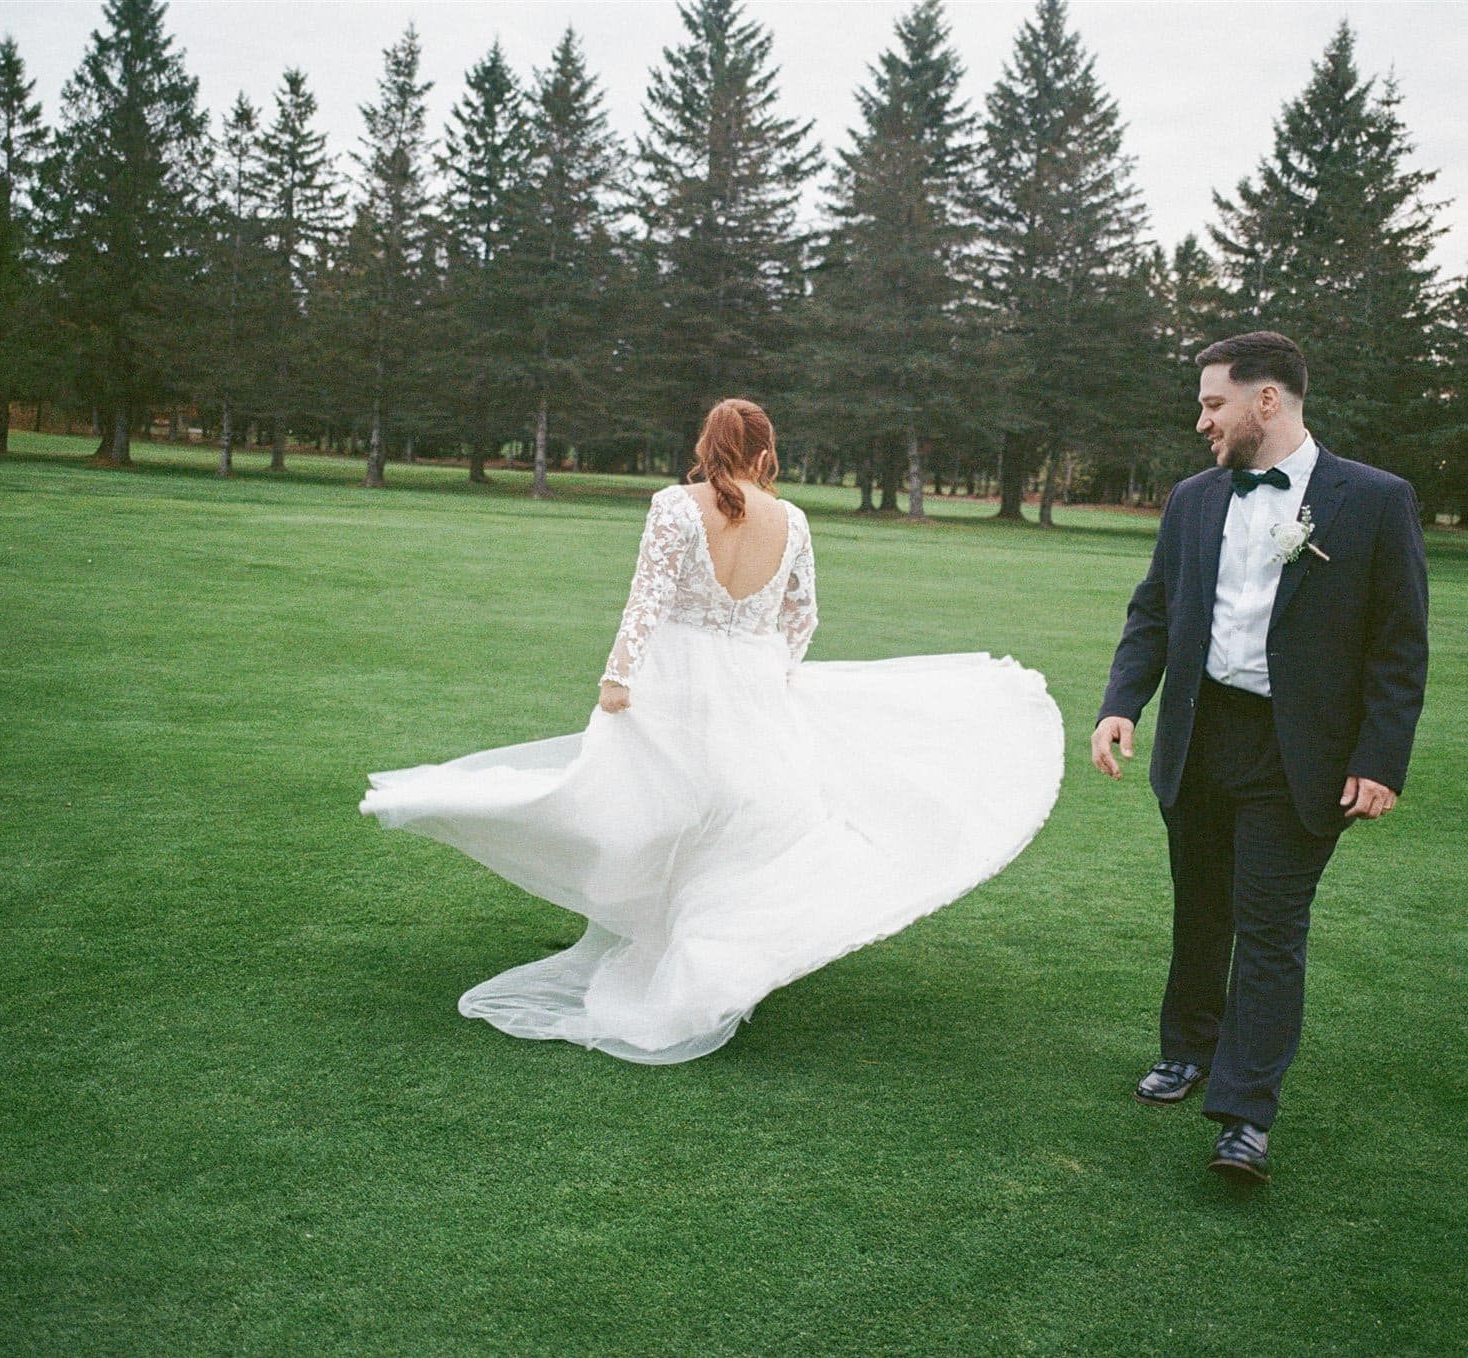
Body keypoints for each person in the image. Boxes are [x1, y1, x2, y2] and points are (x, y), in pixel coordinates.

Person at [363, 398, 1063, 1064]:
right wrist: (774, 672)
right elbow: (804, 616)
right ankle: (694, 952)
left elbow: (648, 599)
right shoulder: (791, 519)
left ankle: (445, 808)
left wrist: (618, 678)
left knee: (623, 804)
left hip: (671, 679)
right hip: (753, 686)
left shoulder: (676, 505)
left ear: (707, 448)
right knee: (735, 823)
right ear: (764, 454)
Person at [1091, 332, 1429, 1184]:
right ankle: (1186, 1049)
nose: (1200, 419)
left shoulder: (1376, 501)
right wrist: (1121, 705)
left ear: (1266, 402)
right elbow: (1154, 611)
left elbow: (1400, 646)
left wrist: (1381, 758)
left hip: (1299, 755)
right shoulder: (1193, 499)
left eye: (1213, 403)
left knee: (1272, 929)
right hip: (1201, 738)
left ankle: (1245, 1114)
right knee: (1201, 908)